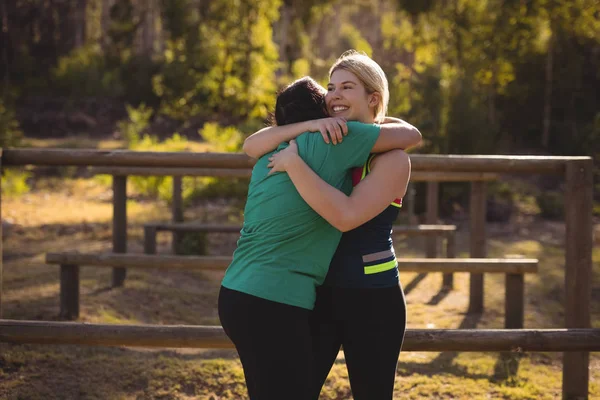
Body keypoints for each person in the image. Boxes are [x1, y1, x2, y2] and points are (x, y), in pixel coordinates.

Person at [218, 74, 420, 400]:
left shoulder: (367, 150)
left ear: (373, 96)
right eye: (330, 88)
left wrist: (295, 162)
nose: (335, 95)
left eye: (346, 87)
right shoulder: (331, 140)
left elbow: (347, 214)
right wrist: (310, 130)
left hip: (366, 295)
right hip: (302, 296)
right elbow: (251, 144)